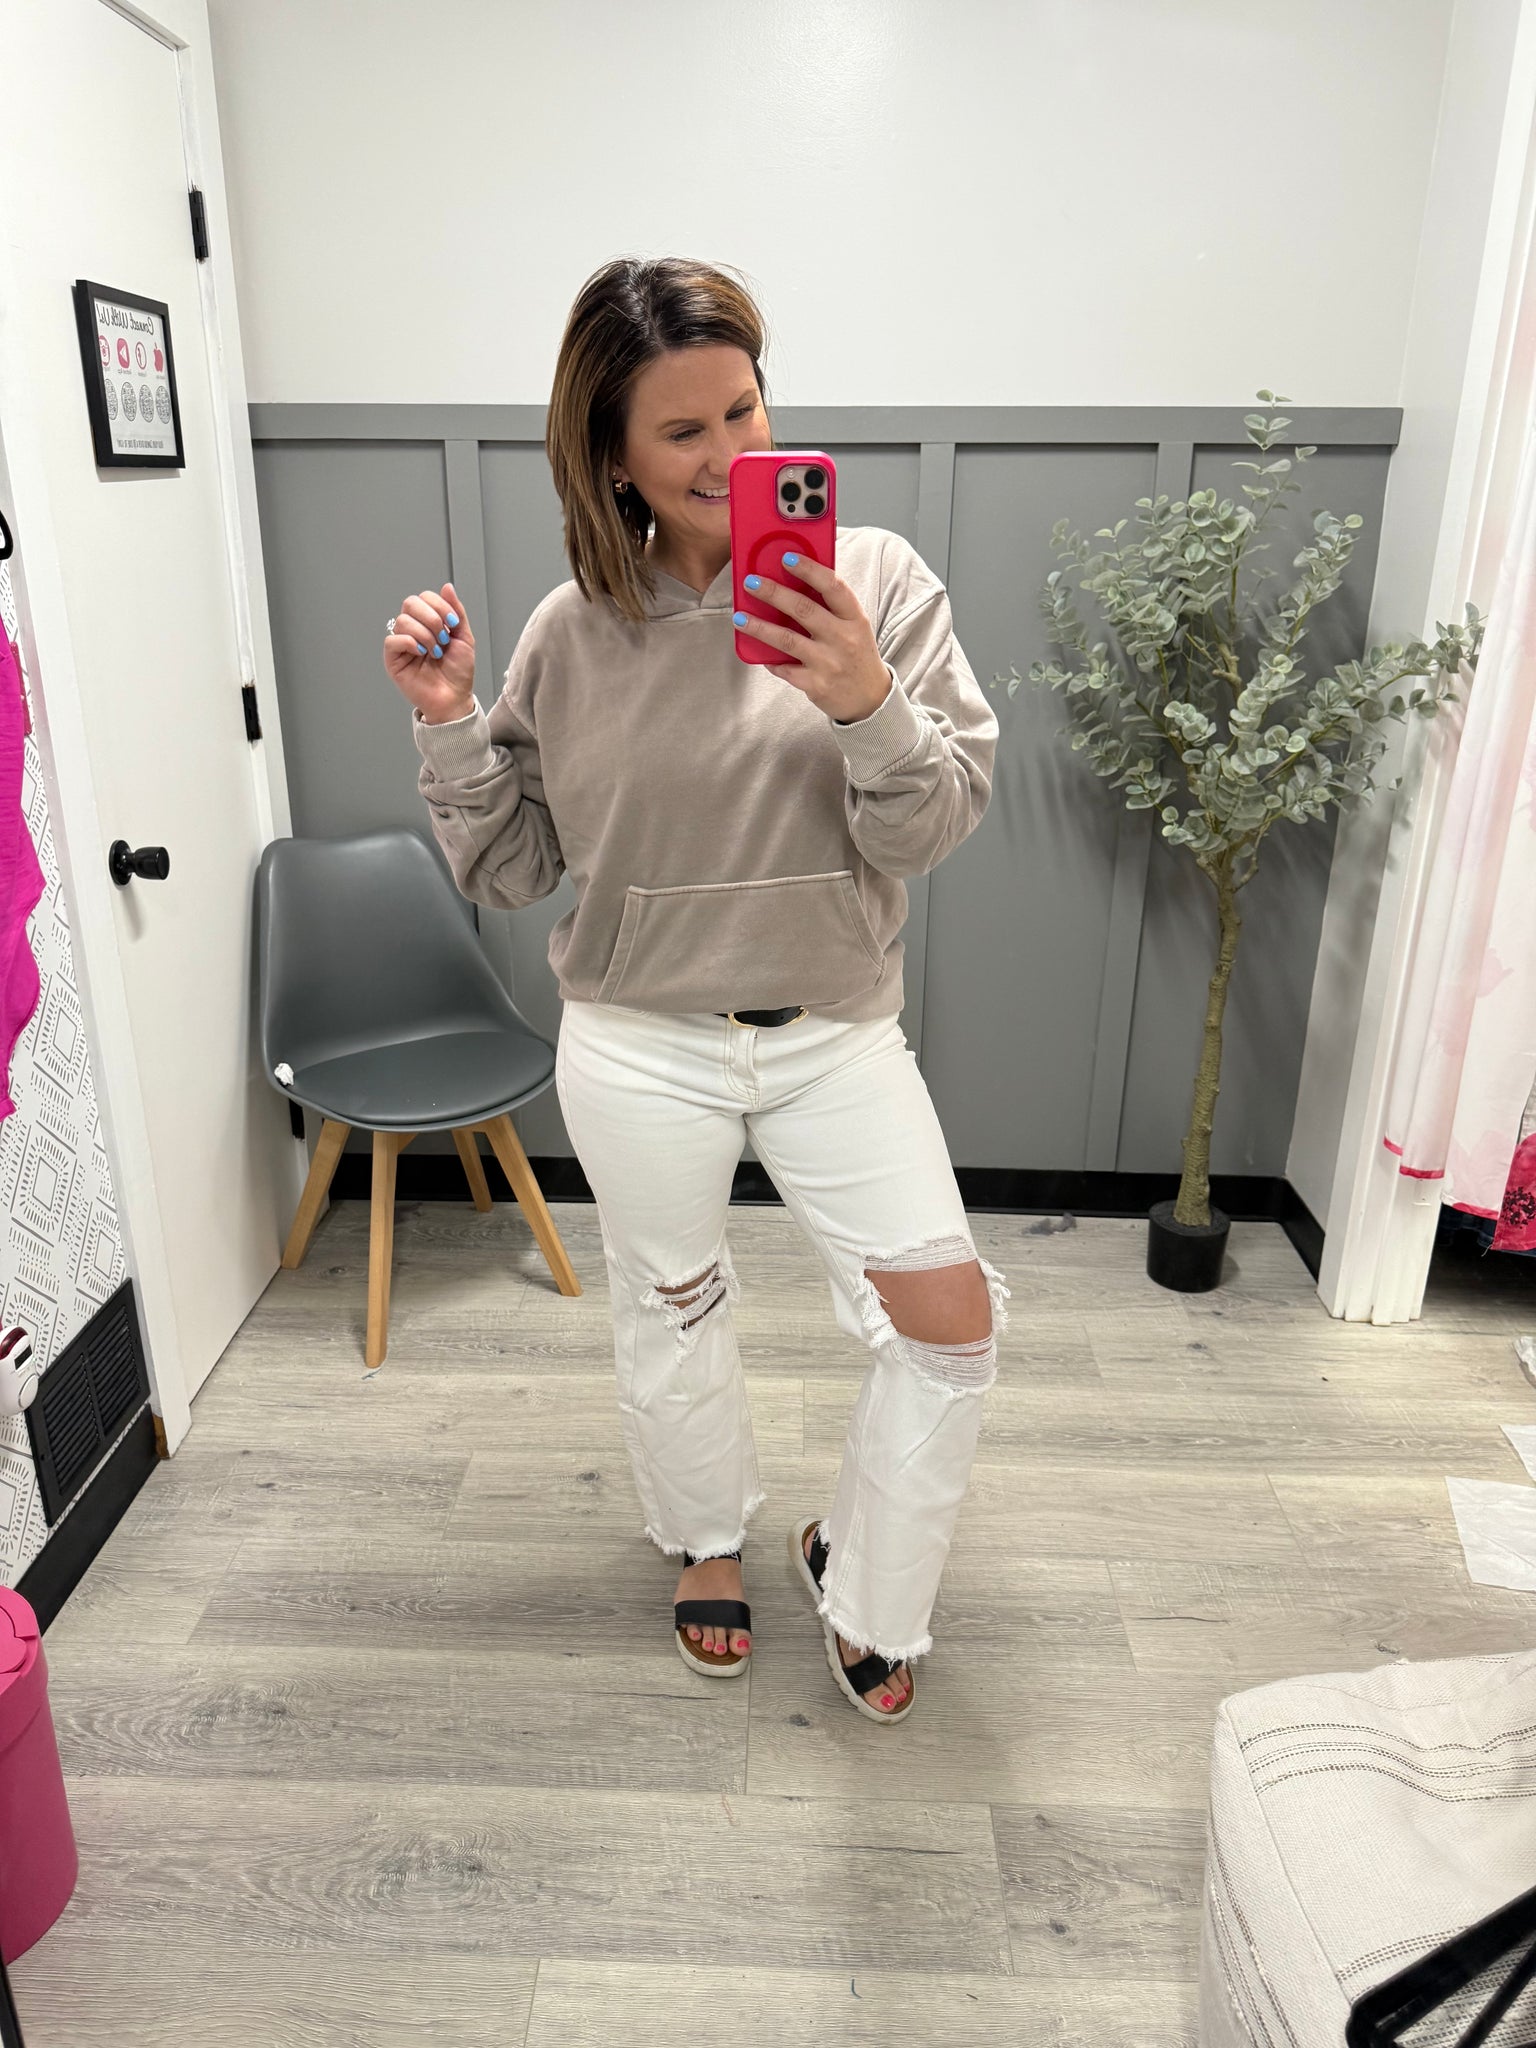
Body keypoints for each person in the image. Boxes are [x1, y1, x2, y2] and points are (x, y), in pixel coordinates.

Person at [383, 257, 1006, 1724]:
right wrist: (452, 724)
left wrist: (864, 700)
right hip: (638, 1042)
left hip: (835, 1032)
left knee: (949, 1326)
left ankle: (866, 1582)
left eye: (746, 409)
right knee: (672, 1307)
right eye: (683, 431)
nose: (730, 455)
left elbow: (930, 828)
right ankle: (705, 1538)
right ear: (611, 457)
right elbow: (514, 870)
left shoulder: (878, 584)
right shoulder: (568, 632)